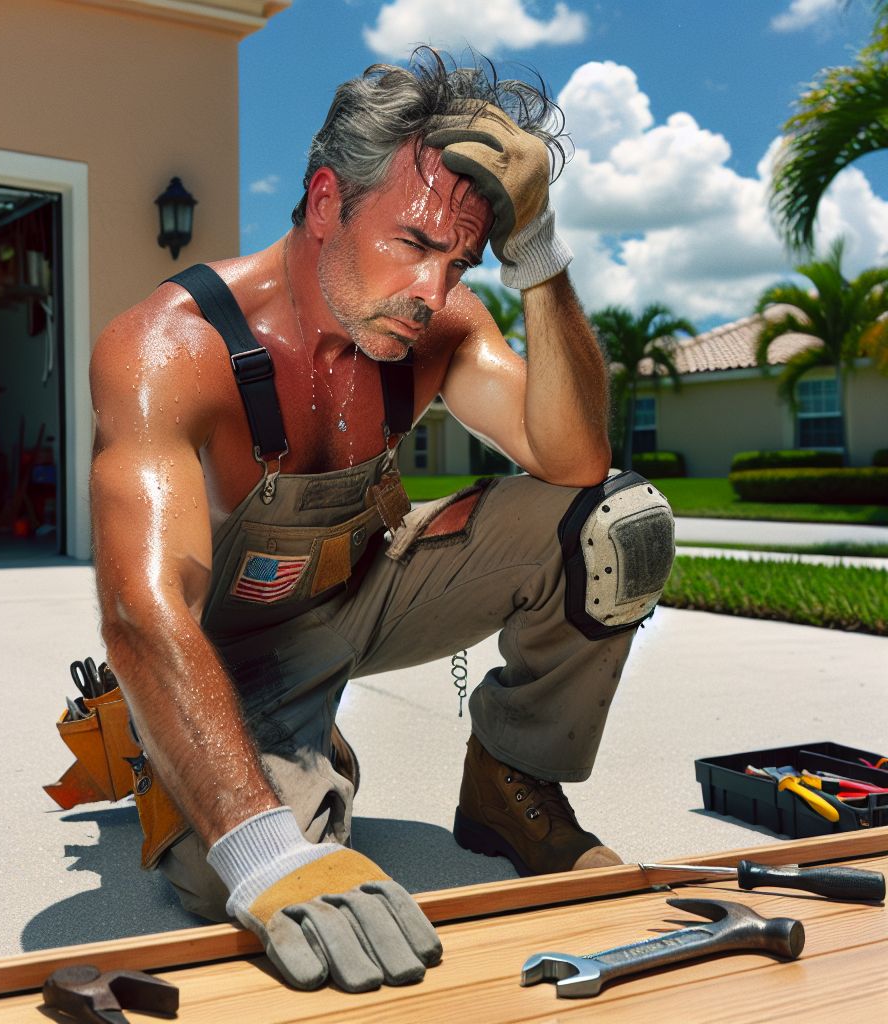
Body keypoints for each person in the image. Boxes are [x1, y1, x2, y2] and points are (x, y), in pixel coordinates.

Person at [88, 49, 675, 994]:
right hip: (240, 656)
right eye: (412, 243)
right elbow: (141, 608)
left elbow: (573, 462)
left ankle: (510, 784)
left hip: (365, 591)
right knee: (236, 877)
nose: (434, 293)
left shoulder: (441, 327)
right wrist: (262, 850)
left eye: (463, 261)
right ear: (327, 202)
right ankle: (273, 752)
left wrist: (540, 256)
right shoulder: (170, 346)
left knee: (617, 521)